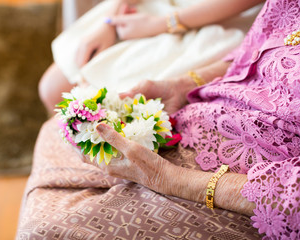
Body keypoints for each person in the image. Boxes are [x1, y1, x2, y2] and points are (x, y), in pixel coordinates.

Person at [17, 0, 300, 239]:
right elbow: (256, 51)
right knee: (60, 126)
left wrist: (169, 179)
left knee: (43, 231)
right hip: (204, 115)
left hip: (243, 183)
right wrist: (182, 86)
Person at [39, 0, 263, 113]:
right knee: (52, 87)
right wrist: (110, 19)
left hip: (218, 18)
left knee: (86, 99)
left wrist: (162, 24)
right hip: (157, 5)